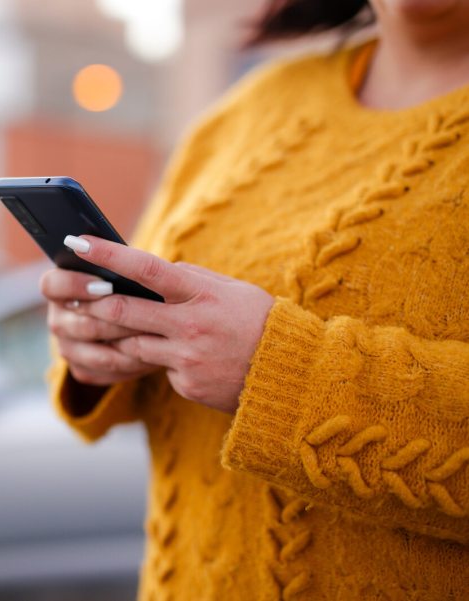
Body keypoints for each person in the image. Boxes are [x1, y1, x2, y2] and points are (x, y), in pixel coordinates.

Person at [40, 0, 469, 599]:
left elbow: (251, 359)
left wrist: (280, 375)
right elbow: (163, 318)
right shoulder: (250, 111)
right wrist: (98, 336)